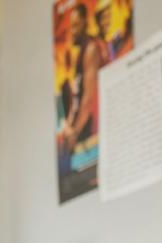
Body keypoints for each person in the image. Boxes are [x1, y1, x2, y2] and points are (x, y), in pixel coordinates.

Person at [60, 4, 108, 154]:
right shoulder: (81, 53)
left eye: (75, 26)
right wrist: (68, 126)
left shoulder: (91, 49)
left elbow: (88, 99)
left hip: (94, 130)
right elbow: (77, 97)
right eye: (70, 27)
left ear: (85, 24)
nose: (72, 32)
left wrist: (74, 132)